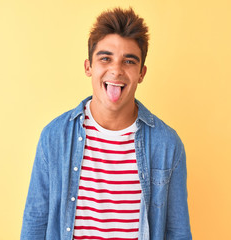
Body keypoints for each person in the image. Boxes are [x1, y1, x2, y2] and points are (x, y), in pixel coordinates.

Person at [21, 7, 192, 240]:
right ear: (88, 67)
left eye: (129, 61)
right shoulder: (54, 137)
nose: (116, 70)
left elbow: (177, 232)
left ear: (141, 73)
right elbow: (35, 223)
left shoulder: (167, 145)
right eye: (105, 58)